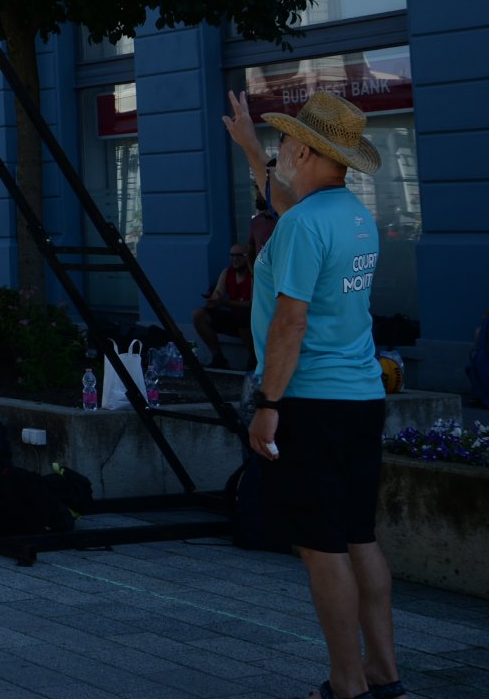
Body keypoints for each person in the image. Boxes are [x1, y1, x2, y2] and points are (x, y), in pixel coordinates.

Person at [237, 90, 403, 699]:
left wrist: (268, 406)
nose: (280, 150)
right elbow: (289, 209)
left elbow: (291, 322)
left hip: (308, 403)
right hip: (359, 399)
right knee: (358, 535)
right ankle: (384, 677)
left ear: (303, 149)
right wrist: (255, 156)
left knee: (320, 546)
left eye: (282, 141)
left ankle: (346, 685)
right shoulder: (352, 213)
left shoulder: (306, 225)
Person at [193, 244, 255, 370]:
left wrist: (224, 302)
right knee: (198, 315)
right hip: (233, 319)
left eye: (239, 255)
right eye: (232, 255)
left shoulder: (253, 275)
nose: (235, 259)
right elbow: (218, 295)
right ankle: (218, 357)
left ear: (247, 257)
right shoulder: (227, 273)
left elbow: (252, 304)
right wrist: (212, 301)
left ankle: (254, 358)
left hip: (251, 322)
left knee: (243, 316)